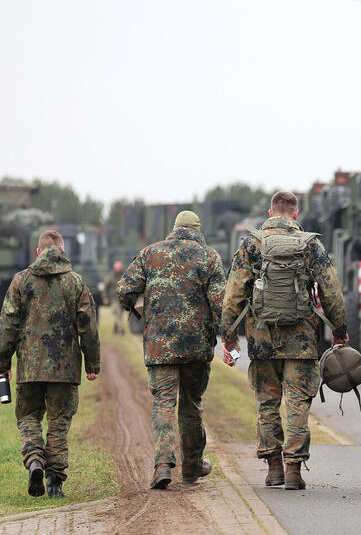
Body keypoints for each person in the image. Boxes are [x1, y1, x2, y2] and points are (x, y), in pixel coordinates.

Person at [220, 191, 348, 491]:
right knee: (298, 405)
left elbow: (233, 295)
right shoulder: (310, 244)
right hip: (301, 340)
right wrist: (340, 330)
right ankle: (294, 470)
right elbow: (331, 291)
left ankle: (274, 467)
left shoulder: (252, 244)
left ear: (270, 212)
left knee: (267, 403)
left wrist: (228, 338)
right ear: (295, 213)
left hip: (262, 340)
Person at [117, 210, 226, 490]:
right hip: (197, 349)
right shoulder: (209, 257)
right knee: (191, 405)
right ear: (197, 230)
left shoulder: (150, 253)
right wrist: (229, 337)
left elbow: (124, 289)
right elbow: (220, 303)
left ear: (174, 228)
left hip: (159, 348)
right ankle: (191, 468)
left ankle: (163, 465)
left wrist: (138, 308)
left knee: (164, 404)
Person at [0, 229, 100, 498]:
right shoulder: (77, 282)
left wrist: (2, 362)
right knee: (59, 421)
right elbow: (88, 328)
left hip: (29, 368)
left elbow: (8, 324)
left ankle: (34, 459)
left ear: (38, 251)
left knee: (29, 417)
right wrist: (92, 364)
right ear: (63, 251)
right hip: (65, 369)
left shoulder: (20, 281)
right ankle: (54, 481)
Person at [103, 260, 125, 335]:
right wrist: (105, 297)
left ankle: (115, 329)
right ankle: (121, 330)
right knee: (117, 313)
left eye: (120, 266)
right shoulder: (110, 276)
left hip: (122, 299)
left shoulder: (124, 276)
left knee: (119, 314)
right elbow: (105, 287)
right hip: (113, 299)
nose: (119, 268)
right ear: (114, 267)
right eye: (117, 266)